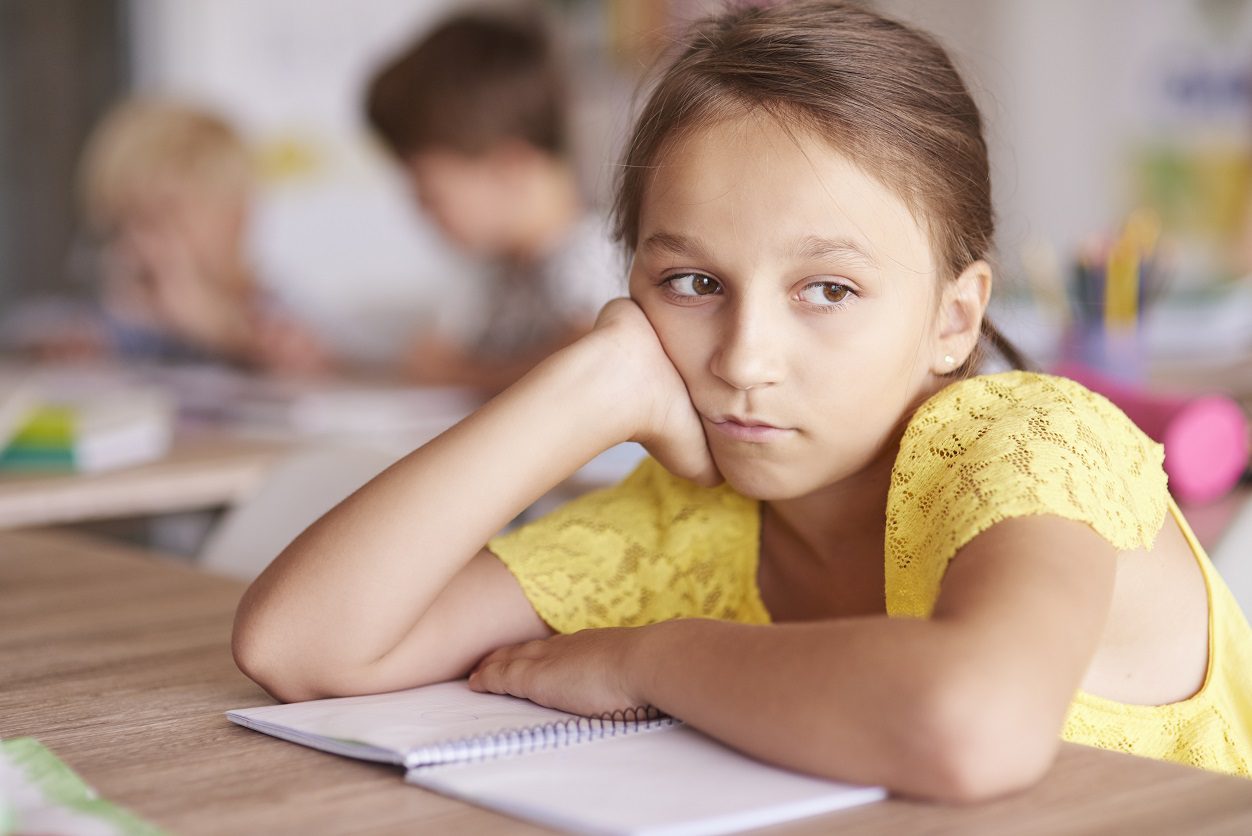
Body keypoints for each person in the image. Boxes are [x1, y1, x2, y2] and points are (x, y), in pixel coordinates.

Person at [233, 0, 1252, 800]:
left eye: (828, 290)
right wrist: (584, 387)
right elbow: (302, 647)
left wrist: (651, 656)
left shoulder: (1030, 440)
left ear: (954, 317)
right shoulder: (693, 520)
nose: (744, 358)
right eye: (692, 284)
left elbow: (969, 723)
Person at [364, 10, 619, 392]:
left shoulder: (589, 255)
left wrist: (458, 375)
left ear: (509, 167)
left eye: (431, 192)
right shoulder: (507, 274)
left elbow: (597, 360)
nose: (419, 208)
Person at [30, 99, 330, 372]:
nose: (143, 244)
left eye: (166, 221)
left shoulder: (274, 317)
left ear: (237, 218)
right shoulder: (103, 319)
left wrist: (214, 325)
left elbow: (311, 368)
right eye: (123, 224)